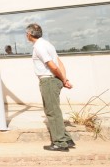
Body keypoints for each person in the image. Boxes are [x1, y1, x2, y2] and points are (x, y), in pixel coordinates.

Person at [26, 23, 75, 152]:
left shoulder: (39, 47)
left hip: (48, 81)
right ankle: (66, 139)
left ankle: (60, 143)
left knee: (52, 112)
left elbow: (53, 66)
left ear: (29, 35)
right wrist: (64, 79)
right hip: (54, 80)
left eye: (27, 34)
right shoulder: (47, 44)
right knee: (54, 110)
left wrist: (64, 79)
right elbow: (59, 63)